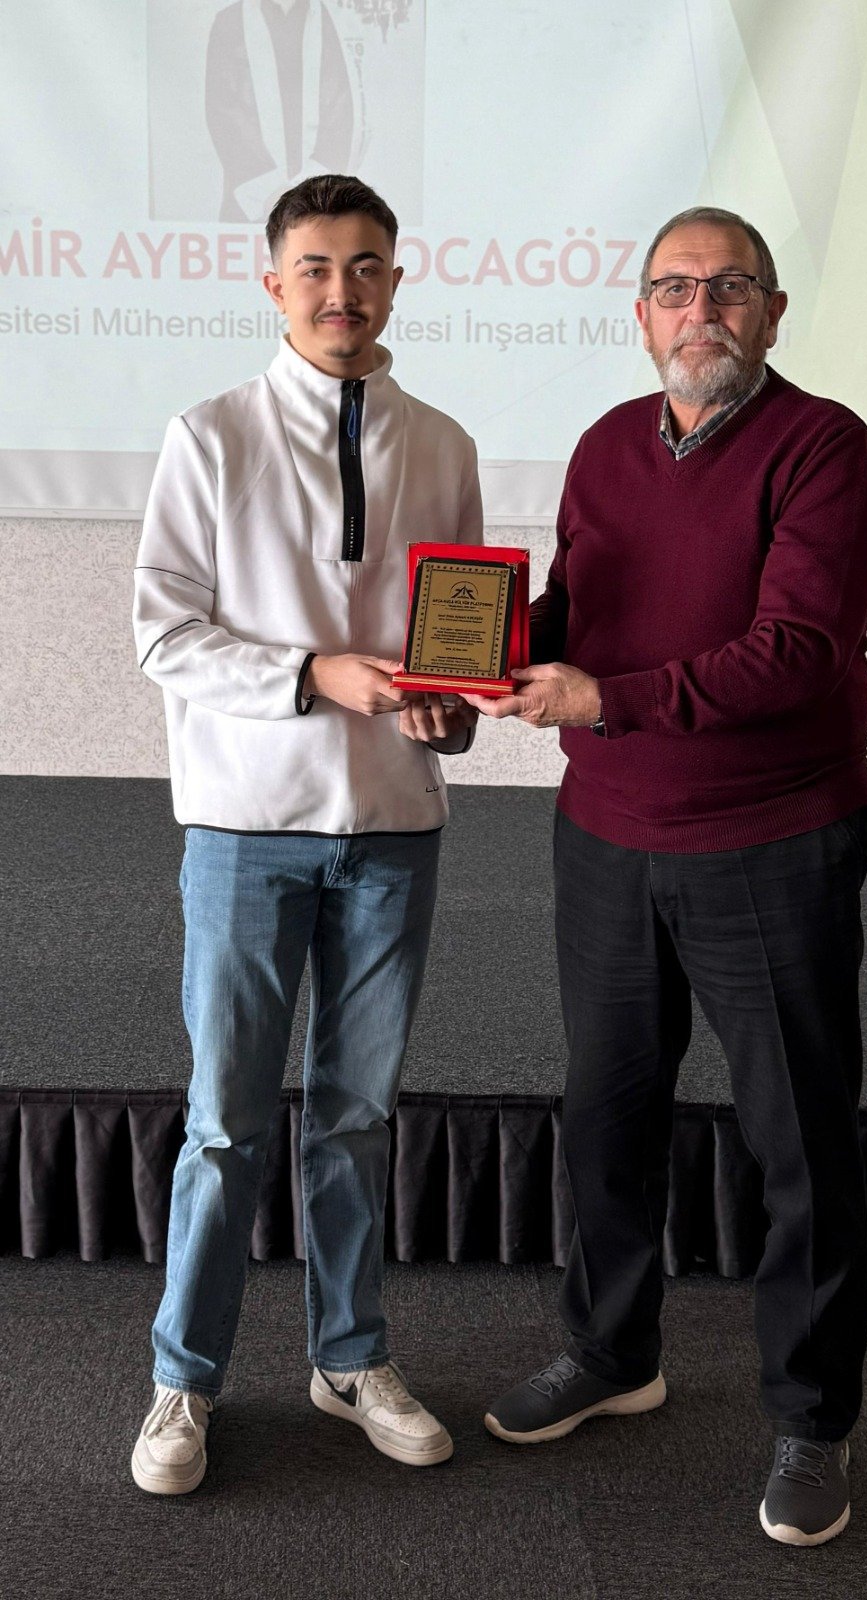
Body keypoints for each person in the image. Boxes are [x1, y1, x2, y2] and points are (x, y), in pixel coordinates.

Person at [467, 206, 867, 1547]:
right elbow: (576, 613)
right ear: (641, 315)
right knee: (606, 1114)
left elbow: (798, 650)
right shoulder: (605, 444)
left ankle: (813, 1417)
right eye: (673, 289)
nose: (698, 310)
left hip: (770, 840)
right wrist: (477, 656)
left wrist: (606, 698)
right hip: (606, 835)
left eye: (727, 288)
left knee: (796, 1142)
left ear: (772, 313)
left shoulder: (825, 447)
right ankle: (611, 1354)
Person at [130, 173, 481, 1495]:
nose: (345, 291)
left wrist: (453, 711)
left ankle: (349, 1357)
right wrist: (313, 674)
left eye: (368, 266)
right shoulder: (208, 434)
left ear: (396, 280)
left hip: (395, 823)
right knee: (226, 1123)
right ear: (274, 283)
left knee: (356, 1116)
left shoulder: (444, 444)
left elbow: (456, 647)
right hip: (244, 825)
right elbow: (164, 633)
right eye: (318, 268)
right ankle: (184, 1379)